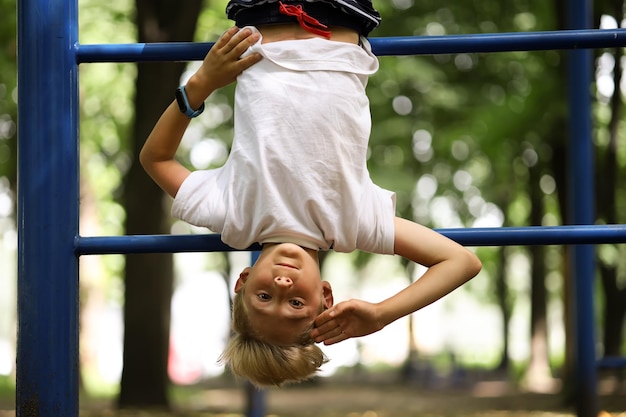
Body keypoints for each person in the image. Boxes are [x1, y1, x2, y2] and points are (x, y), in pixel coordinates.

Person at [140, 0, 482, 387]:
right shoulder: (355, 225)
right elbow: (461, 262)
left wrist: (202, 83)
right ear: (326, 297)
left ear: (243, 281)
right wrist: (382, 314)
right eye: (297, 305)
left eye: (264, 298)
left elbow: (156, 160)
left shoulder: (233, 216)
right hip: (337, 12)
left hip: (262, 14)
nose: (282, 288)